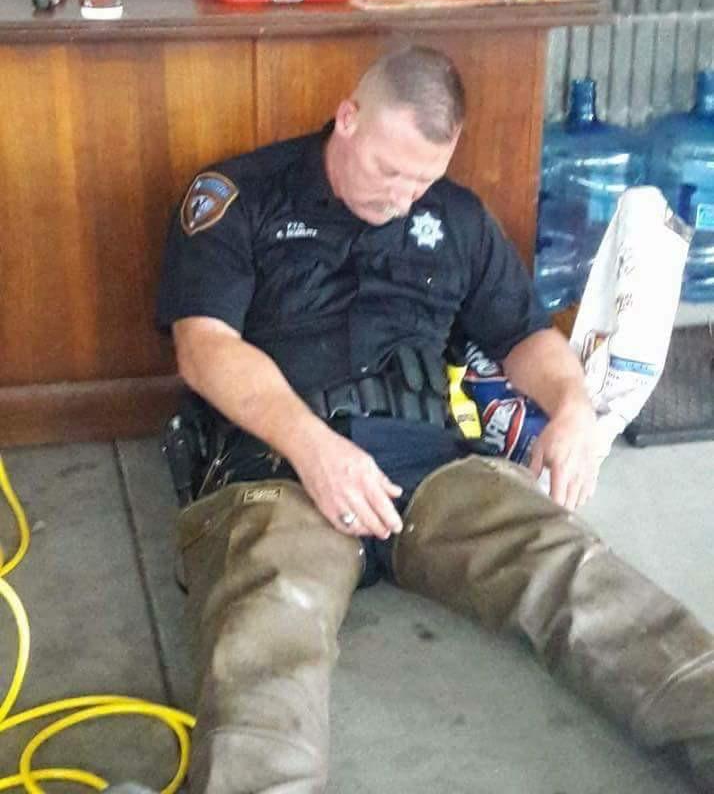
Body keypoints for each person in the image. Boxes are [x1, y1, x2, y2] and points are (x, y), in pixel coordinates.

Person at [157, 46, 714, 794]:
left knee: (576, 576)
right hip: (281, 469)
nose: (402, 196)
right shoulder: (239, 195)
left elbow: (524, 336)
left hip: (431, 466)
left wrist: (574, 406)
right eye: (390, 171)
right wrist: (314, 448)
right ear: (348, 119)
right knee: (266, 635)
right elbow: (205, 348)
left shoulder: (454, 218)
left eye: (422, 178)